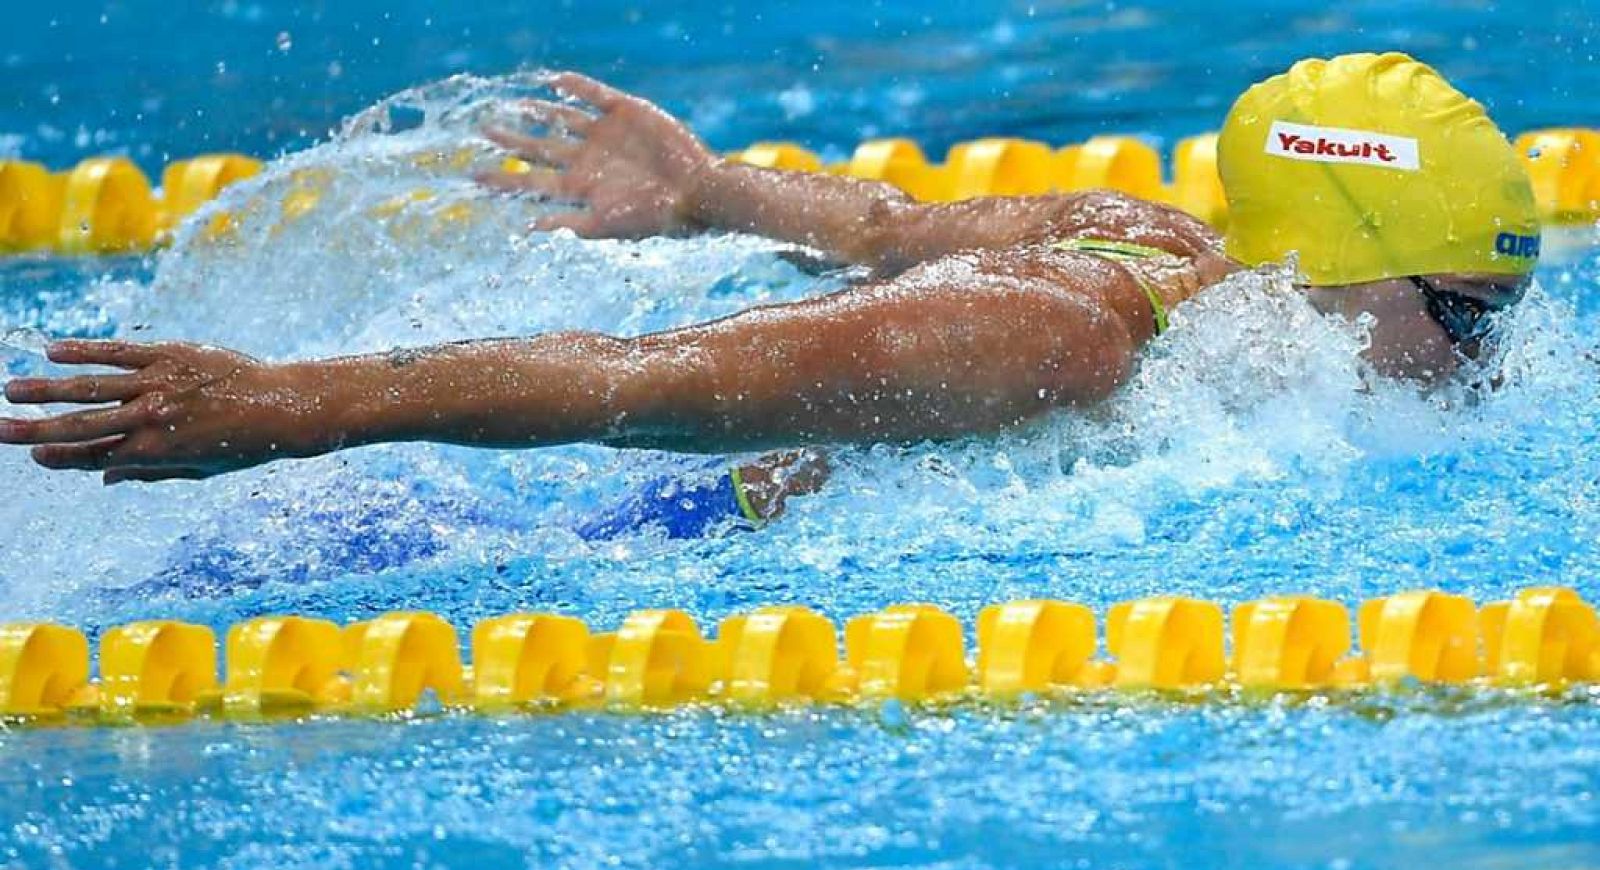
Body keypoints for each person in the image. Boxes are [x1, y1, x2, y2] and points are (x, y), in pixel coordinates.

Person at [0, 52, 1541, 535]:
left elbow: (885, 221)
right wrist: (283, 407)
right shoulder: (1061, 337)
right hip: (575, 529)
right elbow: (647, 381)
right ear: (1326, 271)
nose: (1488, 359)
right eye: (1464, 310)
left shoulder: (1157, 242)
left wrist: (710, 193)